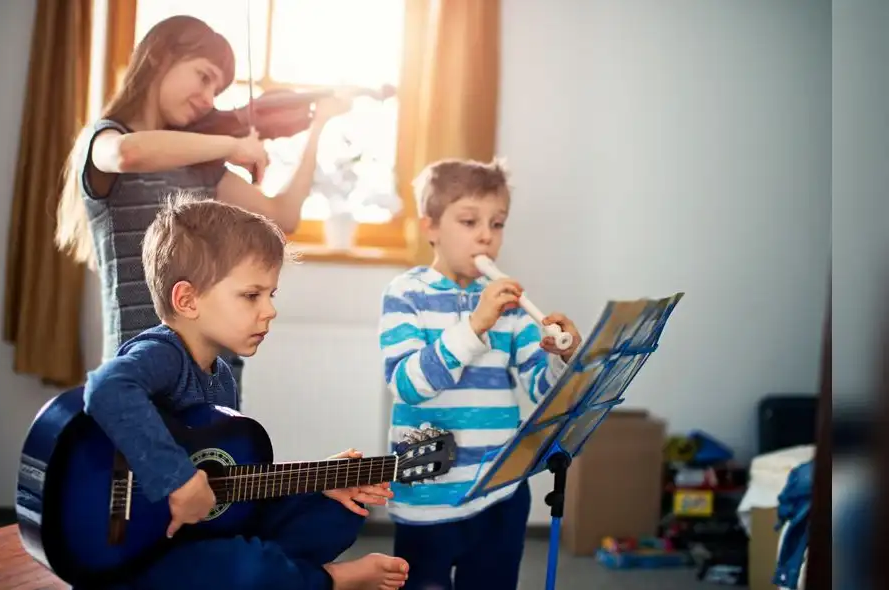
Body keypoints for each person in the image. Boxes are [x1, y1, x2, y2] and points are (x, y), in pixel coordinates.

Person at [84, 194, 409, 590]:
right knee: (245, 568)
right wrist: (176, 479)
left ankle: (287, 577)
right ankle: (329, 582)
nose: (269, 310)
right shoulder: (162, 353)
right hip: (139, 551)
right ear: (187, 300)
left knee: (338, 510)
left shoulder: (220, 376)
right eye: (251, 295)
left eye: (270, 295)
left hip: (201, 536)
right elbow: (106, 388)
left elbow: (227, 486)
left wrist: (318, 480)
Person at [54, 14, 350, 397]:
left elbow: (284, 216)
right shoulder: (106, 139)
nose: (210, 100)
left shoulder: (198, 165)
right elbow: (128, 154)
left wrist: (318, 127)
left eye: (218, 88)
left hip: (215, 375)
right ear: (160, 57)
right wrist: (233, 146)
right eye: (204, 76)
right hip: (142, 375)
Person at [376, 158, 582, 589]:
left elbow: (542, 389)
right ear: (430, 227)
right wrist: (474, 325)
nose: (486, 234)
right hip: (427, 497)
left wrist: (558, 358)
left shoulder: (507, 304)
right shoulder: (405, 294)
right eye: (469, 221)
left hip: (499, 493)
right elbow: (408, 385)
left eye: (498, 223)